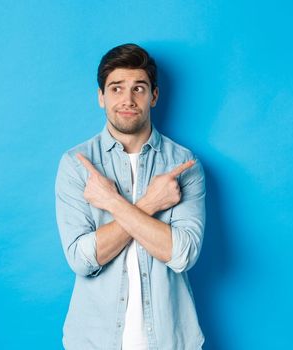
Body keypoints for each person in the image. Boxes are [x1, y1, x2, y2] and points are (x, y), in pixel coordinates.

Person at [55, 43, 206, 349]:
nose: (127, 99)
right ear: (101, 97)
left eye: (139, 88)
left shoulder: (184, 165)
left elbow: (184, 253)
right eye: (116, 88)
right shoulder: (76, 164)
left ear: (154, 95)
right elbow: (83, 259)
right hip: (93, 341)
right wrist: (151, 204)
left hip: (171, 341)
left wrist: (111, 202)